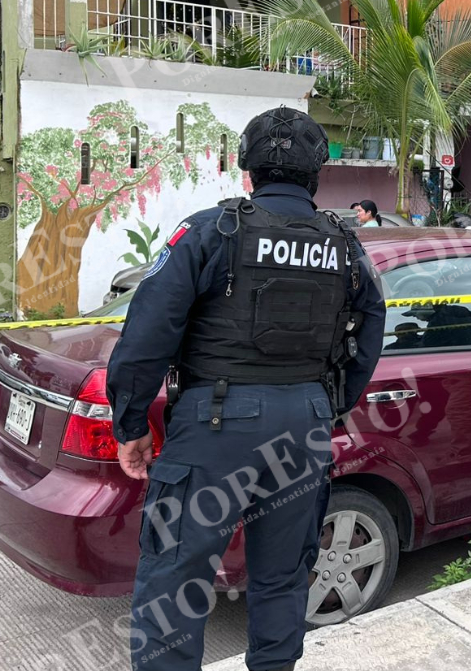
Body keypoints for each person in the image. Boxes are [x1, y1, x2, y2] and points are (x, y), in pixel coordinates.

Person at [107, 107, 386, 671]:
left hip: (215, 424)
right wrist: (328, 408)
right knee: (283, 577)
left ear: (246, 173)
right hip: (303, 425)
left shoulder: (209, 230)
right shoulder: (345, 245)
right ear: (317, 177)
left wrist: (131, 424)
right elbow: (370, 333)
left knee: (175, 582)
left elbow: (145, 335)